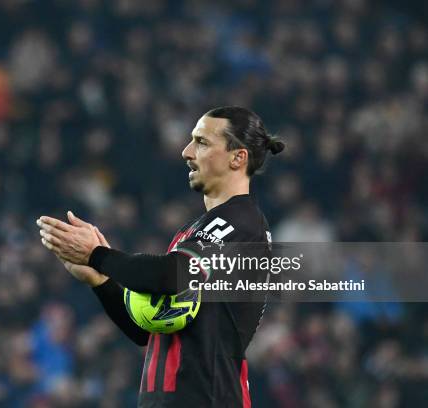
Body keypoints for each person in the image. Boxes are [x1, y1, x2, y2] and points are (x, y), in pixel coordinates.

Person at [37, 106, 284, 407]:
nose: (186, 151)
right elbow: (146, 330)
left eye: (202, 142)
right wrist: (101, 281)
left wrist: (98, 255)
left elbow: (170, 275)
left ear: (238, 157)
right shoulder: (198, 229)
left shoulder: (241, 222)